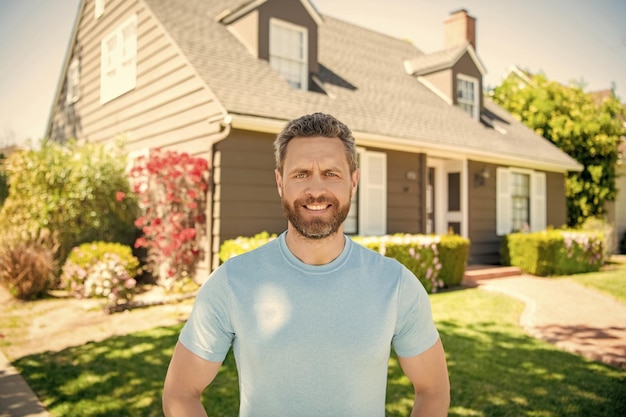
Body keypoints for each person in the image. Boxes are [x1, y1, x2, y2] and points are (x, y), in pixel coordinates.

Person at [162, 112, 450, 417]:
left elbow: (433, 389)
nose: (315, 190)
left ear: (353, 180)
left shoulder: (396, 285)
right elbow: (181, 391)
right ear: (279, 182)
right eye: (301, 174)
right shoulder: (232, 282)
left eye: (331, 173)